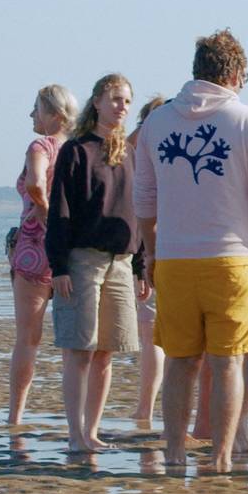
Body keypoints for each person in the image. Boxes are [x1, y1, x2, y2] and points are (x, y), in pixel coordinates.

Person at [132, 29, 248, 474]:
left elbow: (143, 199)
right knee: (228, 363)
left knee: (180, 363)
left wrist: (151, 251)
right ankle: (221, 457)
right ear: (236, 74)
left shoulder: (157, 122)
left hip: (175, 259)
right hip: (231, 260)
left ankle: (175, 454)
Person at [45, 73, 147, 454]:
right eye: (116, 99)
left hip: (121, 262)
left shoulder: (130, 153)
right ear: (98, 101)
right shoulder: (76, 150)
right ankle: (76, 434)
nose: (122, 107)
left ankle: (93, 431)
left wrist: (141, 265)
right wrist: (58, 267)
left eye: (127, 101)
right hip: (82, 260)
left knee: (108, 350)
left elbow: (137, 211)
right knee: (79, 349)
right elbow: (61, 212)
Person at [8, 83, 78, 427]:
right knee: (72, 343)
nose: (32, 115)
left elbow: (36, 183)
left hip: (35, 249)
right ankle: (74, 419)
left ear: (55, 115)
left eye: (36, 108)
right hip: (71, 251)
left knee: (28, 338)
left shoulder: (41, 145)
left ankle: (16, 415)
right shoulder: (79, 149)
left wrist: (46, 211)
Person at [128, 93, 169, 428]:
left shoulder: (131, 148)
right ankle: (144, 408)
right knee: (153, 336)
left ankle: (145, 409)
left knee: (154, 336)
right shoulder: (141, 149)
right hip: (149, 254)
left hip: (154, 254)